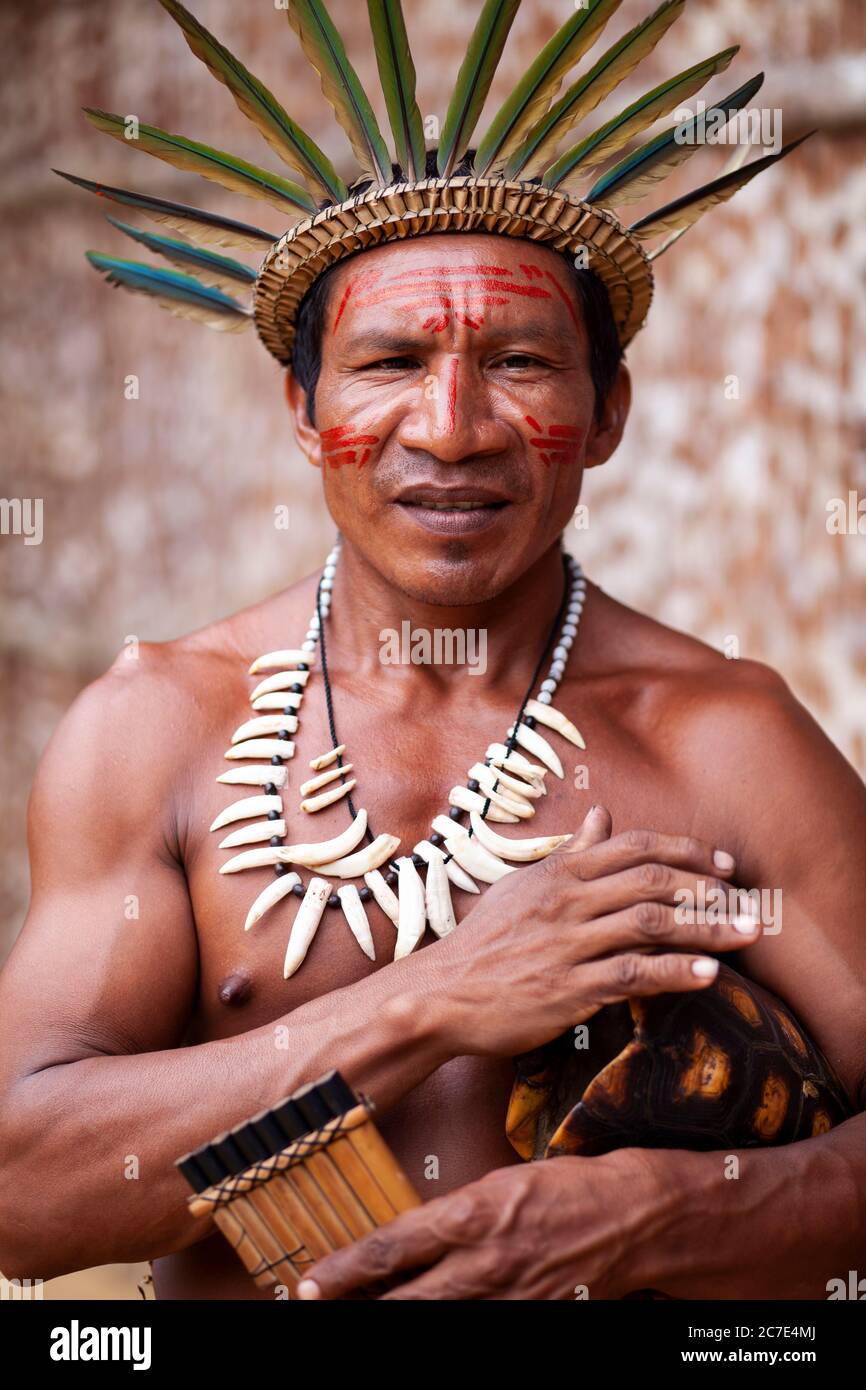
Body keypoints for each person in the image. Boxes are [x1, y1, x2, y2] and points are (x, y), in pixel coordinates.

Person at [1, 0, 863, 1300]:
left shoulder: (725, 739)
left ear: (606, 410)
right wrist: (431, 1002)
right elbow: (22, 1198)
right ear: (301, 408)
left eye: (519, 360)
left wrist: (667, 1216)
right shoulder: (158, 727)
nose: (452, 430)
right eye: (388, 362)